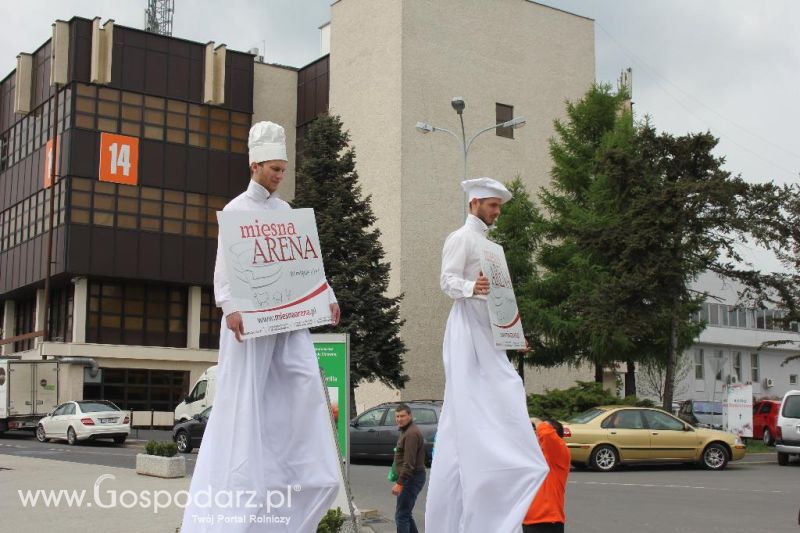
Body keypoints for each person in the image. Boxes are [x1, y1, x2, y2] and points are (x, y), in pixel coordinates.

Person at [181, 121, 341, 532]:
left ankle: (305, 463)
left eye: (284, 169)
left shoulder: (287, 212)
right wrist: (229, 306)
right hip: (250, 324)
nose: (280, 175)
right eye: (274, 169)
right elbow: (223, 271)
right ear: (255, 165)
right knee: (246, 399)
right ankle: (241, 484)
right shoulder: (235, 210)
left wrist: (327, 297)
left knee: (305, 380)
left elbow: (303, 265)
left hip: (287, 321)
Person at [425, 178, 549, 532]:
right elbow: (447, 280)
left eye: (499, 207)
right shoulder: (461, 238)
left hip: (487, 332)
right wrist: (470, 286)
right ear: (474, 203)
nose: (497, 212)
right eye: (493, 205)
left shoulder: (491, 246)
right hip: (466, 331)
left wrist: (514, 337)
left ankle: (496, 468)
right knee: (469, 404)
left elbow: (501, 301)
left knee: (505, 391)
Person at [524, 418, 570, 533]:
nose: (535, 432)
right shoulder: (533, 458)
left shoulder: (559, 456)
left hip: (547, 523)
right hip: (524, 522)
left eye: (536, 430)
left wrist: (536, 421)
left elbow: (547, 434)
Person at [392, 404, 427, 533]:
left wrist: (400, 483)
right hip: (412, 478)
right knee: (405, 514)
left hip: (411, 479)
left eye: (402, 416)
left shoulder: (411, 434)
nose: (399, 419)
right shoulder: (407, 430)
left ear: (410, 416)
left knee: (401, 516)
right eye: (397, 416)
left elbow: (409, 463)